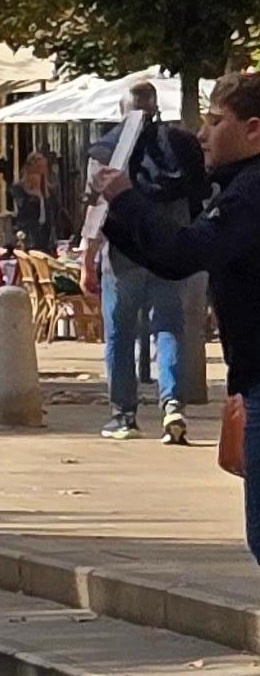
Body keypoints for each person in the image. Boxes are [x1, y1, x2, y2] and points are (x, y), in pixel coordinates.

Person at [98, 73, 260, 560]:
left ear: (254, 130)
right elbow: (173, 255)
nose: (203, 134)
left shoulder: (252, 193)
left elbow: (187, 251)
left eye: (215, 121)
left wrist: (125, 200)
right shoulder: (239, 186)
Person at [94, 78, 205, 442]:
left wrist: (86, 257)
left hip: (123, 254)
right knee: (168, 327)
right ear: (157, 108)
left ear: (122, 110)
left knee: (120, 334)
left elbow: (94, 210)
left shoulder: (107, 150)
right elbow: (196, 197)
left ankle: (123, 416)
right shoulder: (180, 146)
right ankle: (172, 403)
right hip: (169, 252)